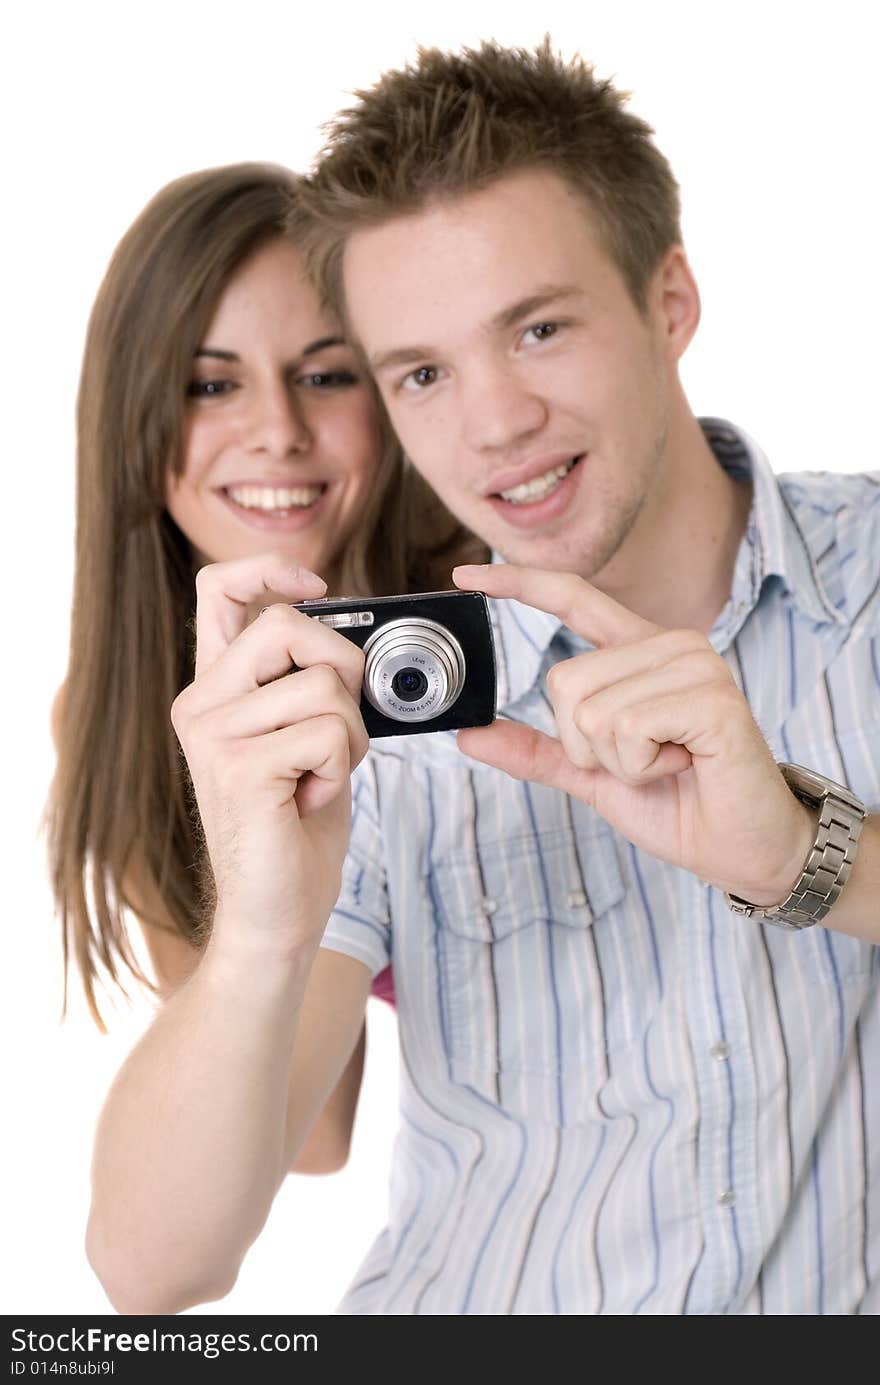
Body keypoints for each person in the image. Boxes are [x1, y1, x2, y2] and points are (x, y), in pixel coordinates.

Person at [85, 45, 879, 1316]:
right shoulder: (388, 707)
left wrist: (802, 855)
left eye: (540, 327)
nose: (494, 421)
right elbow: (149, 1268)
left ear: (669, 301)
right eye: (422, 373)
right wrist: (261, 928)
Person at [46, 164, 482, 1197]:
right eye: (211, 383)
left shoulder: (491, 593)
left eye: (326, 374)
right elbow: (302, 1129)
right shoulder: (127, 707)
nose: (277, 429)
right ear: (135, 423)